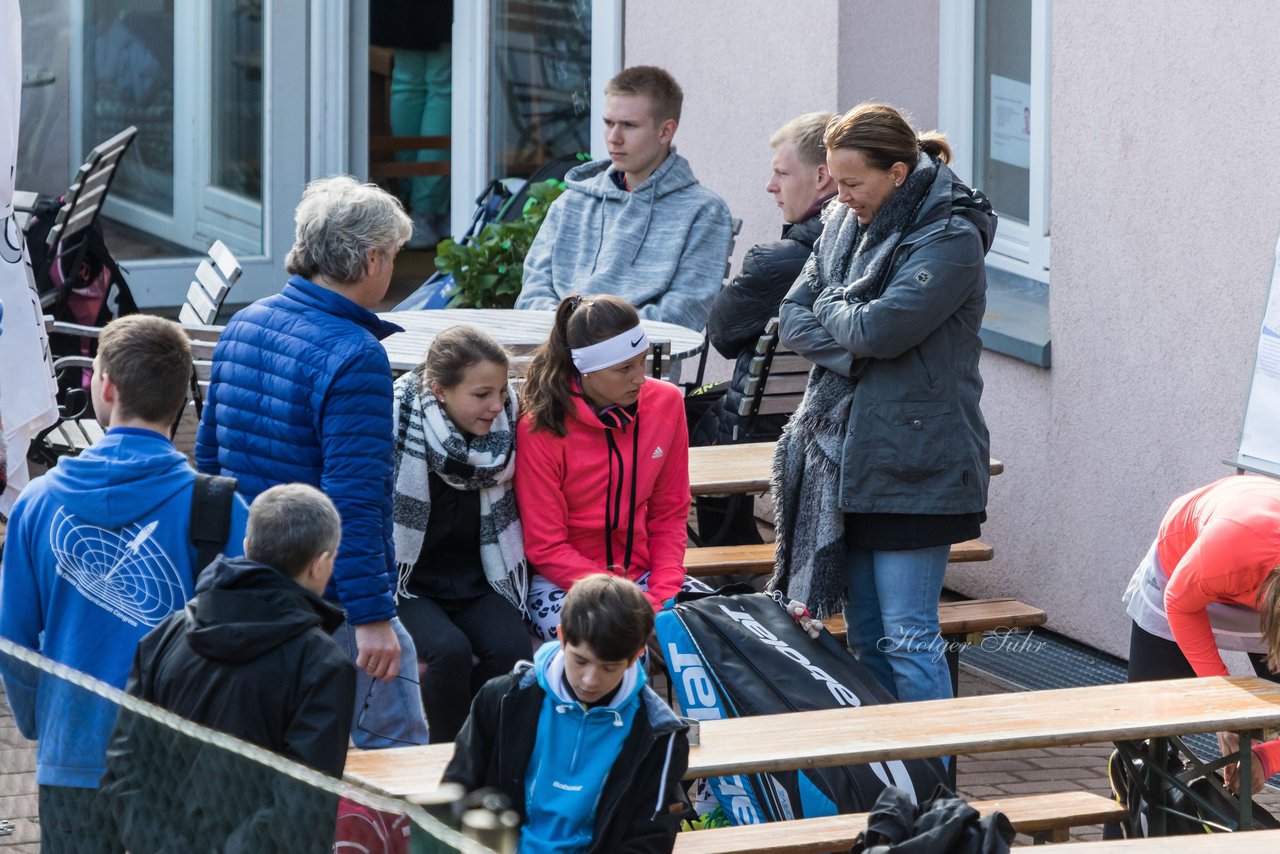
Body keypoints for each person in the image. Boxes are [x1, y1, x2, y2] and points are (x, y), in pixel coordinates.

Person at [771, 103, 995, 703]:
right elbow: (793, 317)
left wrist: (838, 313)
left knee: (907, 638)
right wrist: (851, 342)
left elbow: (879, 331)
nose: (839, 199)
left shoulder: (950, 236)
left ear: (898, 173)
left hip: (917, 463)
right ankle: (889, 778)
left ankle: (933, 788)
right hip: (848, 459)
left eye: (852, 184)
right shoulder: (846, 223)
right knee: (867, 638)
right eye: (835, 183)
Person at [195, 176, 430, 748]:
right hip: (327, 595)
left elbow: (208, 462)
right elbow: (350, 498)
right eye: (394, 255)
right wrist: (372, 616)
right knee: (394, 756)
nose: (393, 269)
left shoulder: (244, 322)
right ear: (371, 258)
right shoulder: (356, 357)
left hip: (249, 580)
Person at [0, 314, 250, 851]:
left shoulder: (37, 506)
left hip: (73, 754)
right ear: (181, 394)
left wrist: (43, 720)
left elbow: (14, 641)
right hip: (186, 762)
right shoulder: (224, 509)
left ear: (105, 386)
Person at [102, 483, 355, 852]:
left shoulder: (165, 635)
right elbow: (302, 805)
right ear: (320, 563)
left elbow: (125, 767)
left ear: (248, 547)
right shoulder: (323, 663)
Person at [443, 573, 691, 854]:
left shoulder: (661, 734)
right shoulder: (500, 699)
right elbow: (458, 792)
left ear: (636, 656)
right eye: (580, 660)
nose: (589, 680)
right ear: (561, 637)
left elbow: (651, 837)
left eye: (609, 667)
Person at [515, 294, 708, 640]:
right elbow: (546, 547)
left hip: (647, 575)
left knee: (715, 634)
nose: (640, 378)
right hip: (567, 584)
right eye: (624, 369)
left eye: (642, 361)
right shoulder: (540, 426)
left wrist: (662, 593)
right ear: (584, 369)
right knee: (614, 643)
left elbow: (669, 514)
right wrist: (630, 601)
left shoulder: (666, 403)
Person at [687, 111, 836, 545]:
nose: (771, 186)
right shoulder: (875, 250)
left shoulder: (779, 261)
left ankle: (723, 554)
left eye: (782, 173)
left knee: (678, 413)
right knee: (701, 402)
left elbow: (723, 335)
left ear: (823, 177)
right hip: (831, 418)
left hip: (760, 425)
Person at [391, 325, 530, 742]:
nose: (497, 406)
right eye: (481, 394)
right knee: (446, 654)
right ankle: (448, 771)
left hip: (477, 577)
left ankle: (495, 762)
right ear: (440, 391)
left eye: (502, 392)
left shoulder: (505, 433)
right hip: (408, 582)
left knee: (512, 651)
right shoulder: (397, 424)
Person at [515, 66, 733, 331]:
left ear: (665, 131)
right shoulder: (572, 202)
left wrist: (592, 338)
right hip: (554, 356)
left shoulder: (703, 212)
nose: (614, 138)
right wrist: (567, 338)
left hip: (635, 363)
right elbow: (532, 294)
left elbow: (684, 314)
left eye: (629, 125)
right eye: (608, 123)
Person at [1121, 474, 1280, 795]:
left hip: (1253, 575)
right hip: (1184, 571)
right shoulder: (1230, 551)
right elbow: (1179, 602)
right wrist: (1222, 706)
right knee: (1141, 738)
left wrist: (1267, 759)